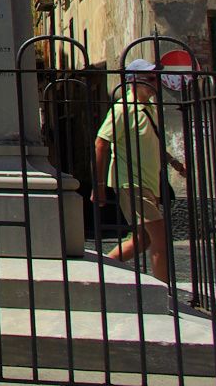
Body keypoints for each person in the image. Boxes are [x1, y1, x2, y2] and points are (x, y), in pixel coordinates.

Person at [93, 58, 186, 280]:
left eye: (156, 77)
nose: (155, 82)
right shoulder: (122, 109)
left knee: (141, 240)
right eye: (150, 78)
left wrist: (174, 163)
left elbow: (151, 142)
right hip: (131, 184)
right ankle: (165, 293)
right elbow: (101, 143)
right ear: (134, 81)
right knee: (159, 239)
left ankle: (102, 268)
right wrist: (99, 186)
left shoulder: (149, 108)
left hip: (148, 183)